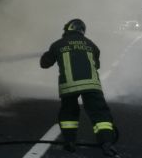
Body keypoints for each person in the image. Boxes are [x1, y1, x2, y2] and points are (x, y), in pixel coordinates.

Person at [40, 18, 120, 157]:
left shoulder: (58, 45)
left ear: (68, 29)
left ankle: (70, 142)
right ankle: (106, 143)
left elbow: (44, 64)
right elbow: (96, 65)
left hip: (69, 86)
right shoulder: (91, 45)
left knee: (69, 113)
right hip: (91, 85)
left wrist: (47, 55)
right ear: (82, 30)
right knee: (100, 114)